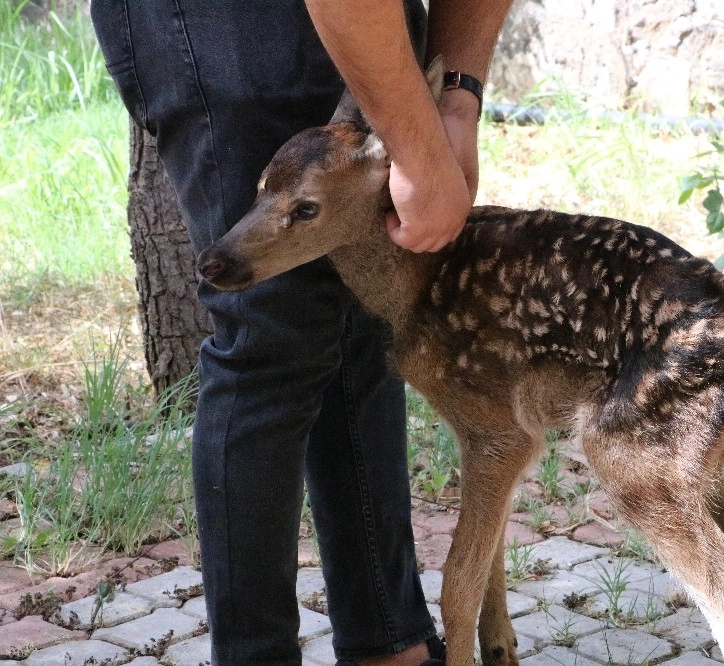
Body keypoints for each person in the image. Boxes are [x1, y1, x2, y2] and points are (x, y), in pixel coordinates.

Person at [89, 1, 513, 664]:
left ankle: (390, 644)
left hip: (367, 20)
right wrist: (419, 153)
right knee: (273, 333)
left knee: (363, 320)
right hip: (225, 24)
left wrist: (459, 97)